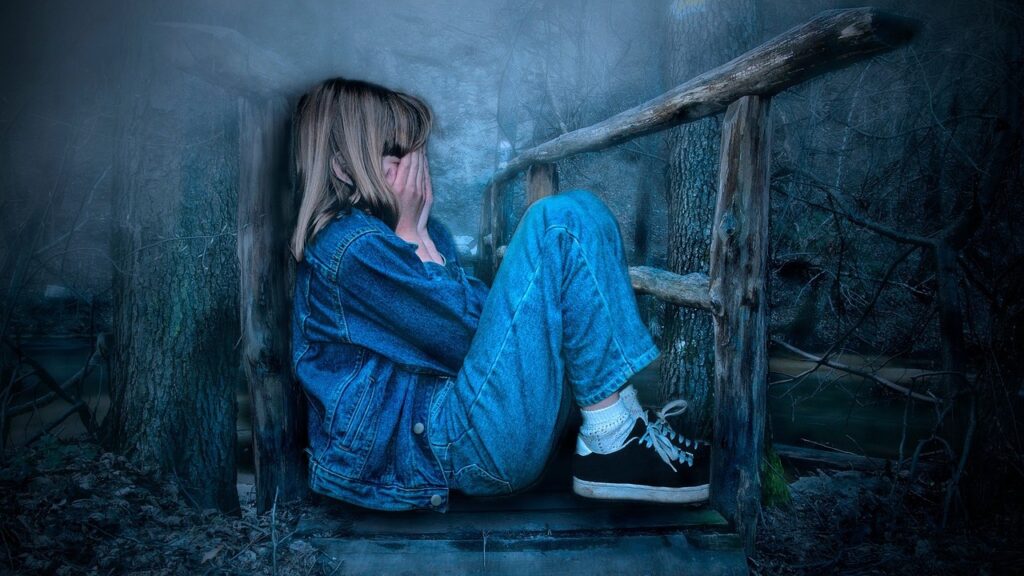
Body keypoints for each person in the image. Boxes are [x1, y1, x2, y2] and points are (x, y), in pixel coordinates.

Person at [290, 77, 710, 513]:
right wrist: (414, 237)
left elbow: (484, 331)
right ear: (343, 167)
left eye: (419, 155)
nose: (418, 173)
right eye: (398, 156)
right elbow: (468, 336)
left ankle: (617, 428)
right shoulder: (352, 249)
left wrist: (422, 239)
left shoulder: (412, 234)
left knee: (580, 212)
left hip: (459, 429)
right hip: (440, 449)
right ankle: (612, 441)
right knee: (558, 223)